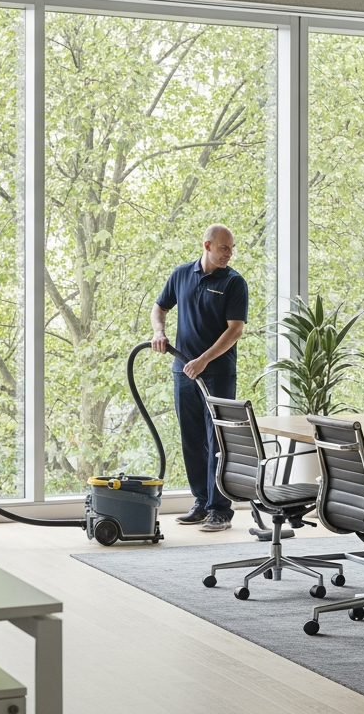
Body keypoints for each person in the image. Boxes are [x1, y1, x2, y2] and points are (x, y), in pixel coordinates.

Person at [151, 224, 248, 532]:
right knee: (192, 439)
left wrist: (204, 359)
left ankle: (219, 508)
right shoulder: (181, 275)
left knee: (217, 441)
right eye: (223, 248)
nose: (229, 254)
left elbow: (235, 329)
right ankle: (200, 501)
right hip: (184, 372)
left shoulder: (234, 283)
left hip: (216, 373)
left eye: (231, 249)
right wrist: (159, 332)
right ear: (207, 246)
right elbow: (159, 308)